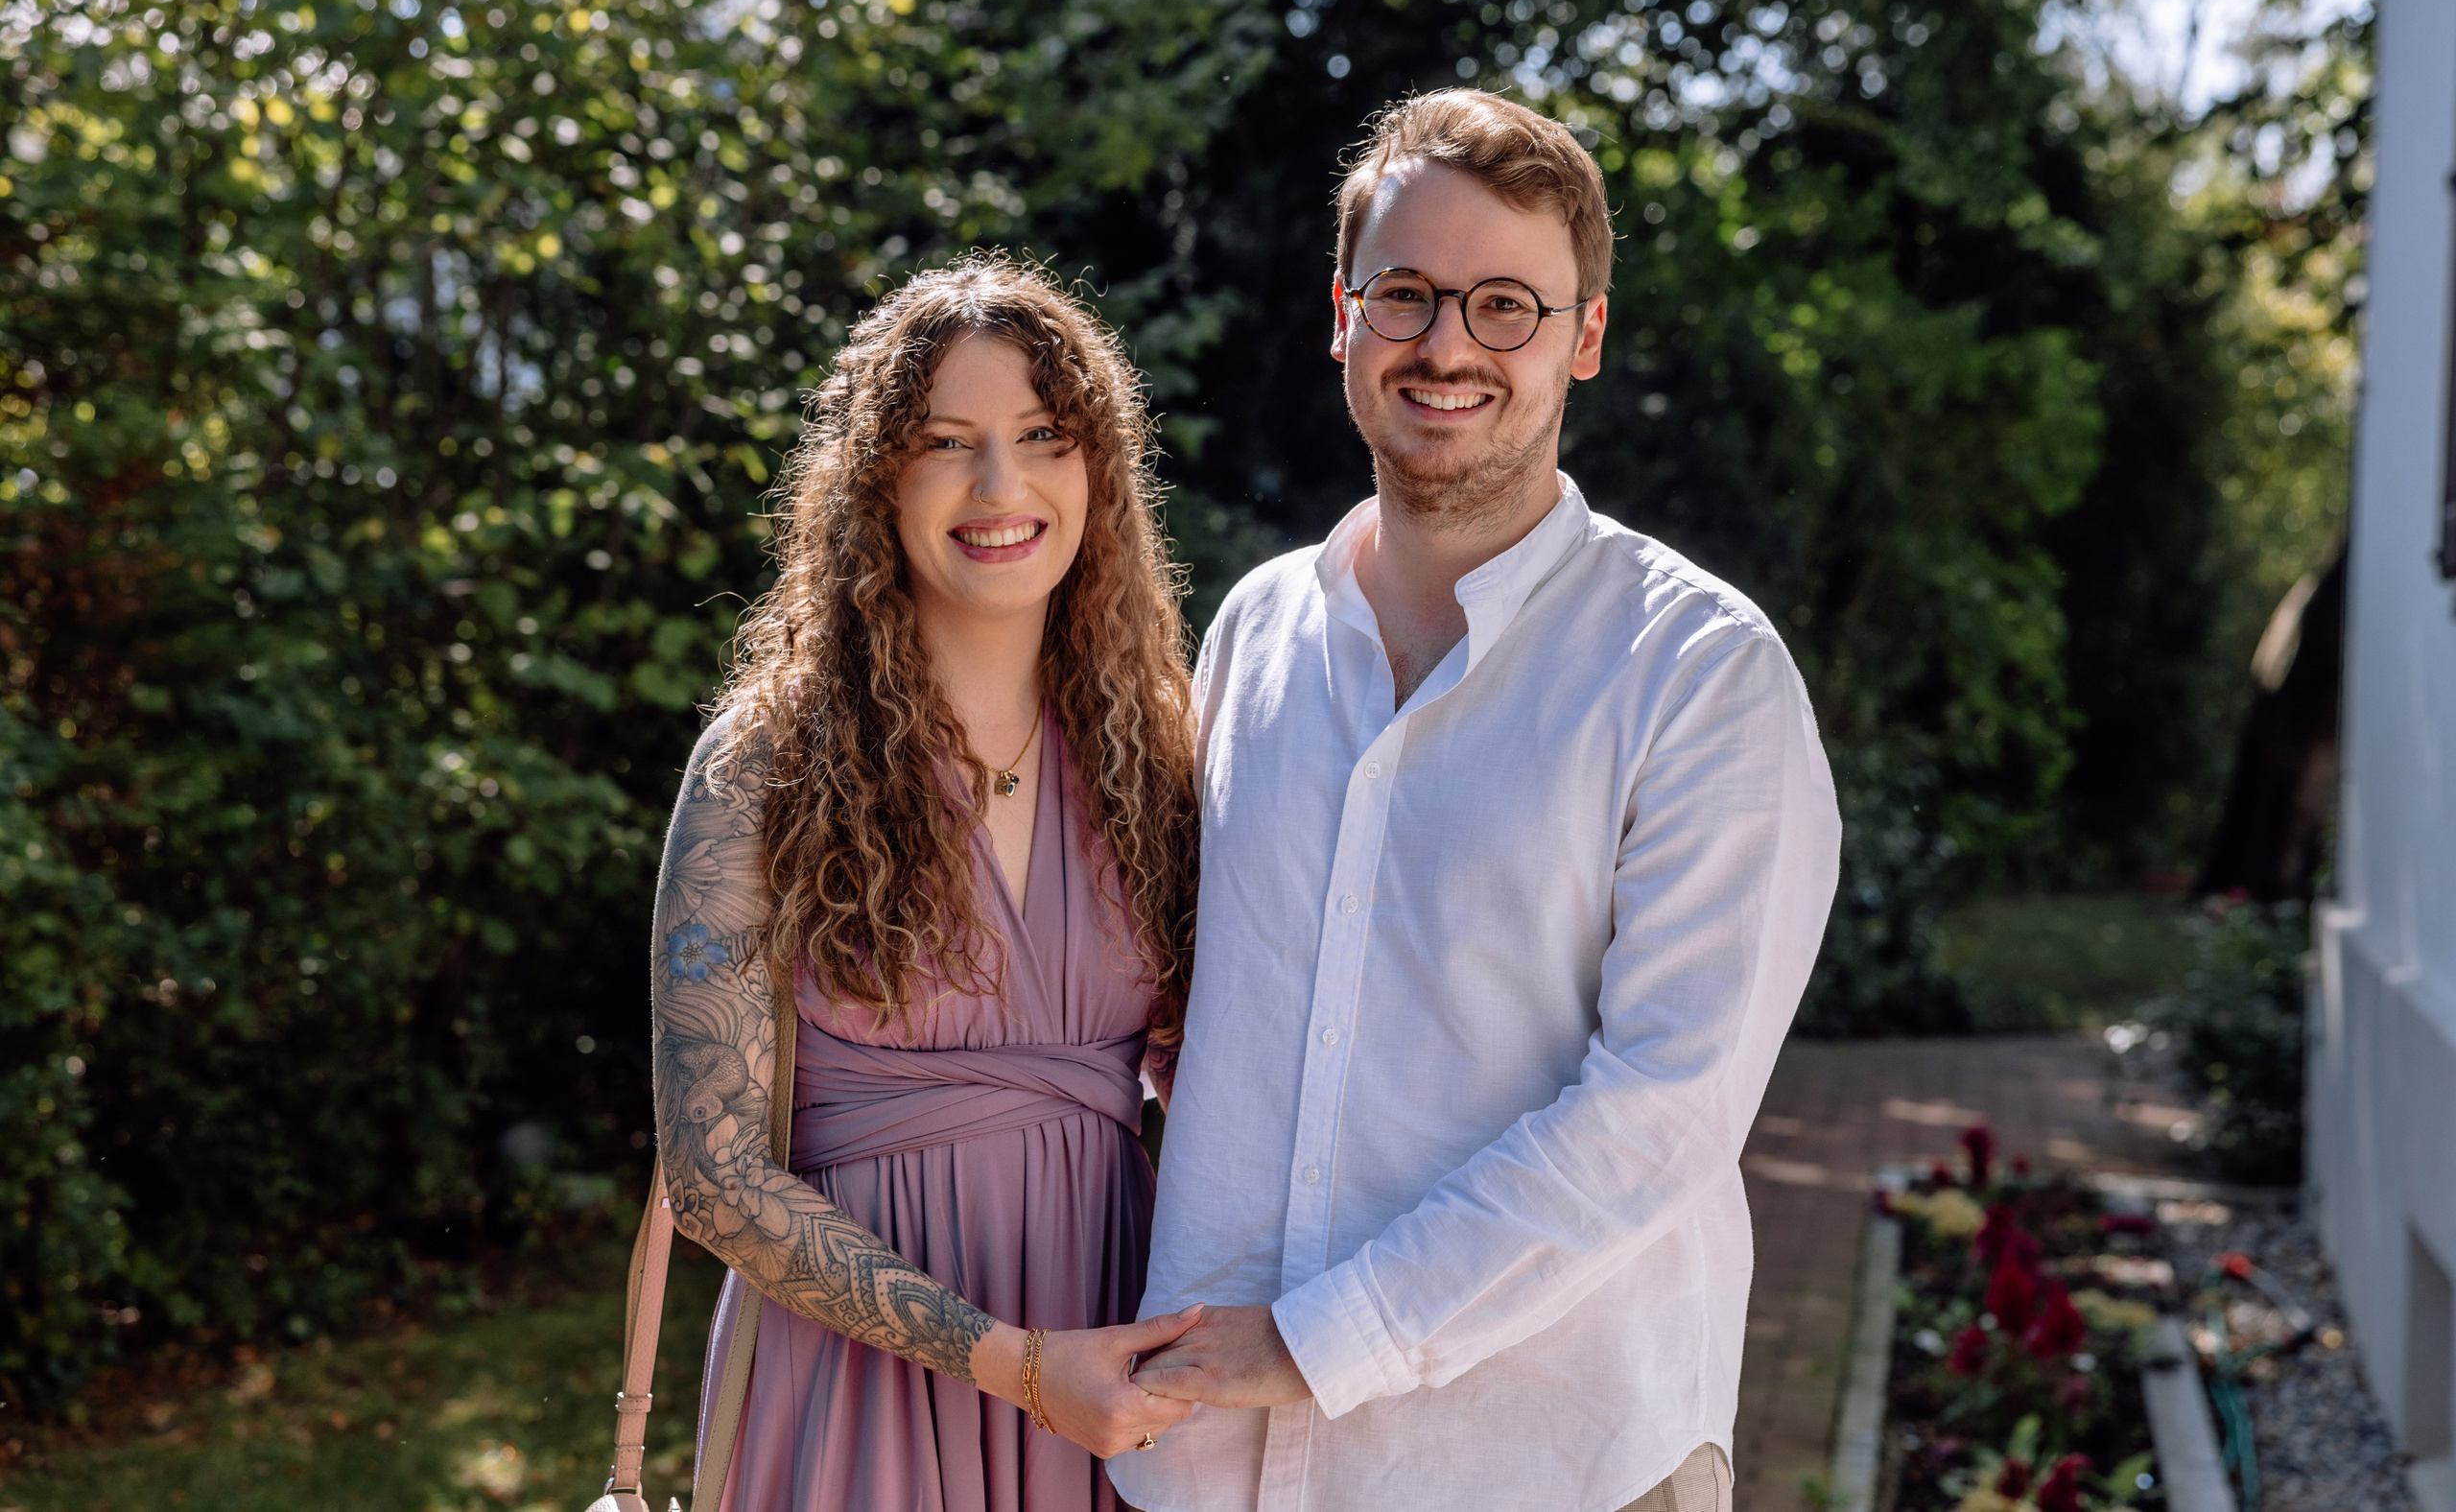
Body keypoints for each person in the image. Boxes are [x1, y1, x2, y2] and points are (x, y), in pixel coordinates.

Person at [1112, 91, 1843, 1512]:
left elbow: (1665, 1109)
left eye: (1506, 304)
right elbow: (1205, 995)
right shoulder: (1253, 631)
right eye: (1406, 295)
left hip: (1547, 1459)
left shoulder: (1700, 672)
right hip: (1208, 1460)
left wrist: (1326, 1345)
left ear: (1586, 338)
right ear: (1343, 317)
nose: (1446, 345)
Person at [648, 254, 1204, 1510]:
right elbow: (713, 1174)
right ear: (877, 482)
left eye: (1043, 436)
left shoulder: (1161, 752)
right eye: (947, 442)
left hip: (1110, 1369)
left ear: (1096, 469)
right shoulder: (768, 761)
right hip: (850, 1389)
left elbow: (1222, 1073)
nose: (1001, 487)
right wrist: (1012, 1364)